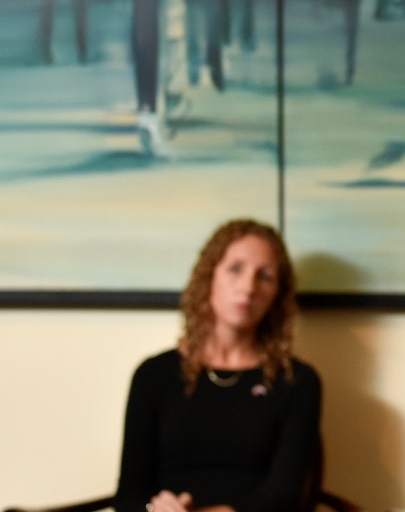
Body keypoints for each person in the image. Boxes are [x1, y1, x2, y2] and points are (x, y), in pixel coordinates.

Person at [115, 219, 322, 512]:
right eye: (235, 269)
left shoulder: (297, 381)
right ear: (209, 277)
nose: (248, 287)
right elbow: (128, 497)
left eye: (265, 276)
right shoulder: (153, 375)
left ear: (278, 293)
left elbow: (284, 496)